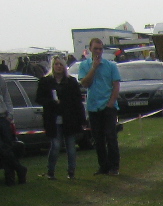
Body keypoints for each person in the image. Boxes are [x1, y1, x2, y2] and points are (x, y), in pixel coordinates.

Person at [76, 37, 121, 175]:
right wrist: (94, 68)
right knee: (98, 139)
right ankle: (103, 166)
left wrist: (110, 104)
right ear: (90, 49)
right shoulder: (84, 66)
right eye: (95, 49)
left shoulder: (111, 66)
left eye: (100, 49)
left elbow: (116, 85)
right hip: (93, 107)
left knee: (111, 137)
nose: (98, 51)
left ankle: (114, 166)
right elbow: (85, 83)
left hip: (108, 106)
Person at [37, 55, 84, 179]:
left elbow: (78, 101)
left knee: (71, 146)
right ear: (52, 66)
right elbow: (39, 99)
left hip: (70, 119)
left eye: (61, 64)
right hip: (53, 119)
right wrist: (52, 102)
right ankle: (51, 171)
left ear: (65, 67)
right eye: (56, 64)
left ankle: (71, 172)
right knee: (56, 145)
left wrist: (82, 119)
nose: (58, 66)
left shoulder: (71, 82)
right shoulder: (45, 81)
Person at [0, 87, 25, 185]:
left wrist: (10, 115)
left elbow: (6, 98)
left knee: (7, 148)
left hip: (2, 118)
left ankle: (10, 178)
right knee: (3, 148)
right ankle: (19, 168)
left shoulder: (0, 80)